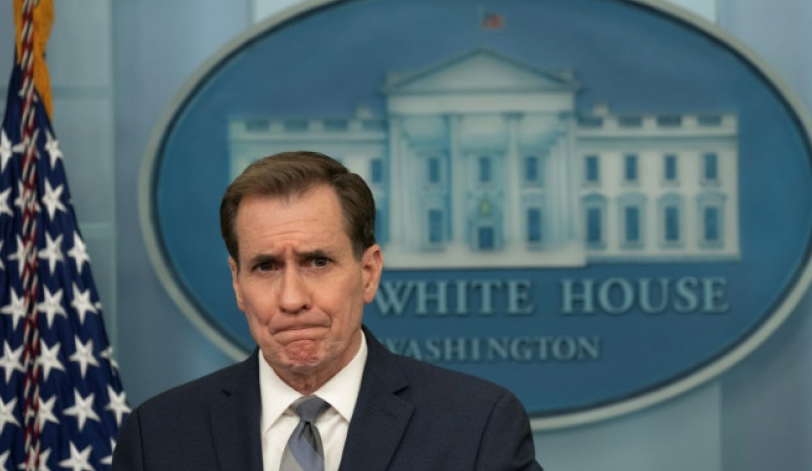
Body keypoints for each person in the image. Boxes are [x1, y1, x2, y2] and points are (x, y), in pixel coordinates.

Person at [113, 151, 542, 471]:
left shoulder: (476, 427)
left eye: (317, 262)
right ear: (237, 283)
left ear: (369, 273)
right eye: (266, 267)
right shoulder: (158, 437)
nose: (291, 299)